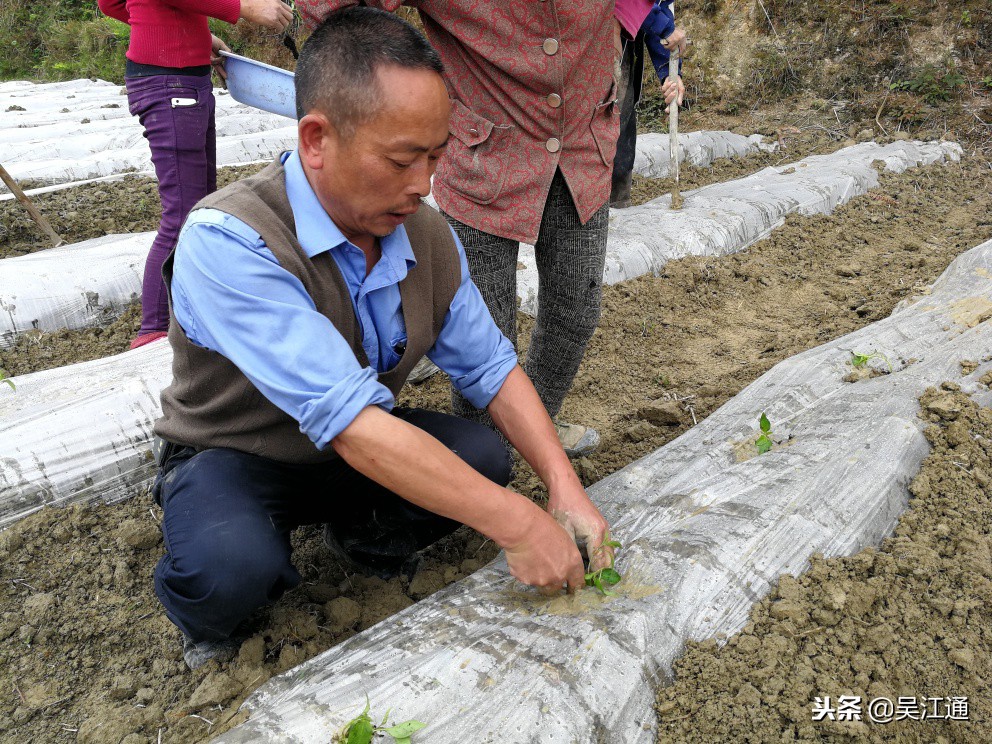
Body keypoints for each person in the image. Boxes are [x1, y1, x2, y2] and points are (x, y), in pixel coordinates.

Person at [150, 7, 614, 669]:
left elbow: (493, 369)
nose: (423, 184)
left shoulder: (422, 233)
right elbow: (350, 420)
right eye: (401, 160)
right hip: (237, 456)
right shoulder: (232, 240)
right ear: (316, 139)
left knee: (483, 455)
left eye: (435, 156)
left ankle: (362, 539)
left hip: (351, 454)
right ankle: (200, 604)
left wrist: (562, 487)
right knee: (230, 568)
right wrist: (517, 523)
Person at [299, 0, 617, 457]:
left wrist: (637, 19)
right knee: (483, 331)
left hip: (585, 145)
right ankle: (485, 454)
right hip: (485, 149)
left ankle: (536, 425)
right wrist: (398, 94)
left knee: (577, 309)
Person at [97, 0, 294, 349]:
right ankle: (153, 331)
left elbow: (111, 2)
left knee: (202, 204)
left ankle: (195, 311)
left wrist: (190, 32)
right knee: (183, 214)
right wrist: (245, 7)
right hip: (169, 84)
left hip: (184, 79)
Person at [612, 0, 688, 208]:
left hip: (629, 32)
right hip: (591, 28)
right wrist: (664, 28)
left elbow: (658, 6)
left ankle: (616, 203)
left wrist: (670, 73)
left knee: (622, 118)